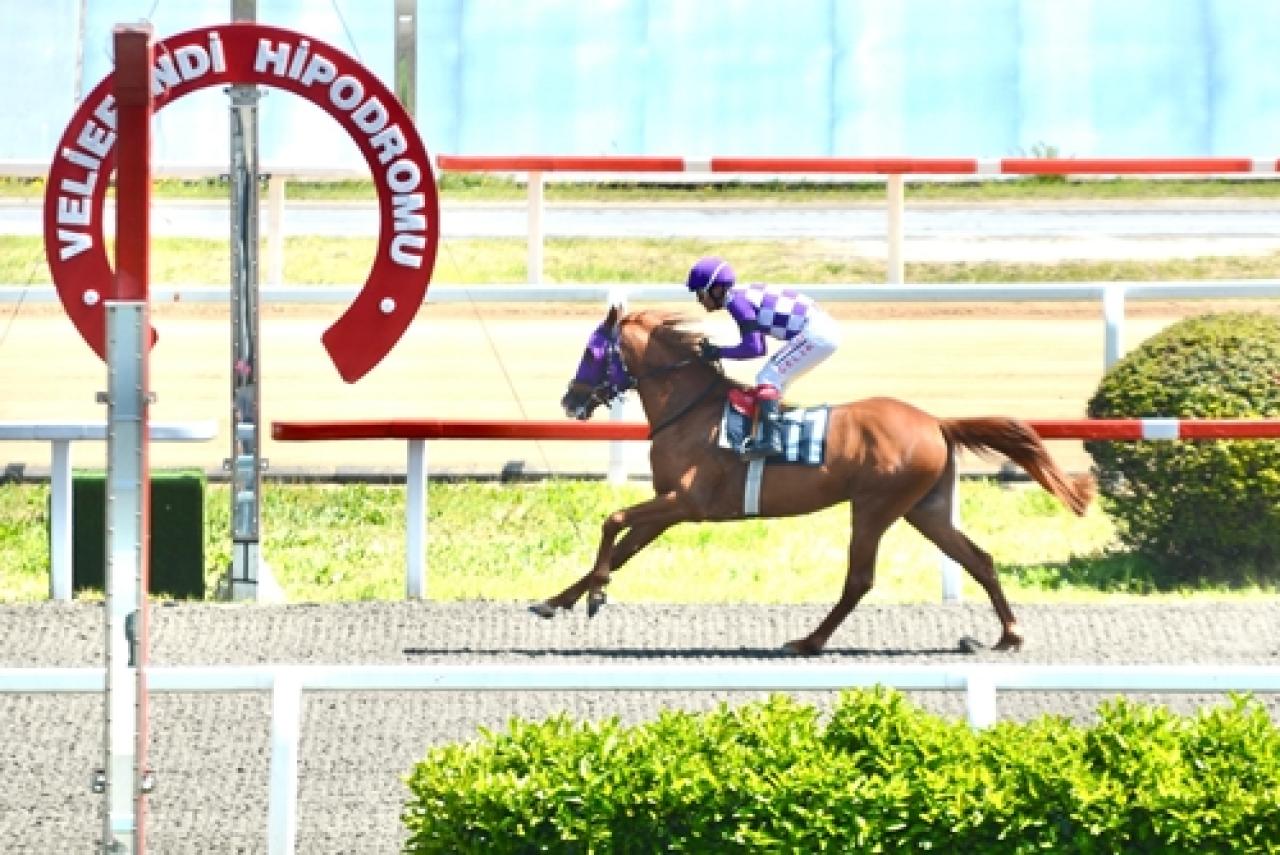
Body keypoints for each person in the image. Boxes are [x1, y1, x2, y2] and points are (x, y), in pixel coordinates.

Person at [686, 255, 841, 459]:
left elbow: (756, 348)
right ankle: (772, 435)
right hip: (820, 329)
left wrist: (718, 352)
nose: (699, 300)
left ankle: (771, 442)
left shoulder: (737, 302)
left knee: (768, 377)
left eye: (700, 293)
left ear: (716, 290)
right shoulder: (741, 295)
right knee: (774, 383)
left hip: (816, 333)